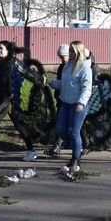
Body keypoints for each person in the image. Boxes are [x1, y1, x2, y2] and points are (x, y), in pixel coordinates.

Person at [0, 41, 37, 163]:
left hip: (11, 100)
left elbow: (30, 75)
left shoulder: (14, 63)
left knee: (3, 125)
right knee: (5, 125)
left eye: (1, 49)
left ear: (8, 51)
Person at [46, 40, 92, 171]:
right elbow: (64, 83)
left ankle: (75, 158)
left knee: (74, 131)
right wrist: (51, 83)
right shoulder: (68, 65)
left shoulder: (84, 67)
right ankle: (77, 144)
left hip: (78, 105)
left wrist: (81, 102)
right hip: (66, 103)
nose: (69, 53)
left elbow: (86, 88)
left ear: (78, 52)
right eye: (69, 50)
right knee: (60, 129)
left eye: (72, 51)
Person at [50, 44, 70, 156]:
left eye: (64, 56)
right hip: (61, 99)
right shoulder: (61, 67)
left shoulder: (71, 67)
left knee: (65, 124)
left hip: (69, 99)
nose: (62, 59)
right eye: (61, 57)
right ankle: (58, 145)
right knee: (61, 123)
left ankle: (58, 145)